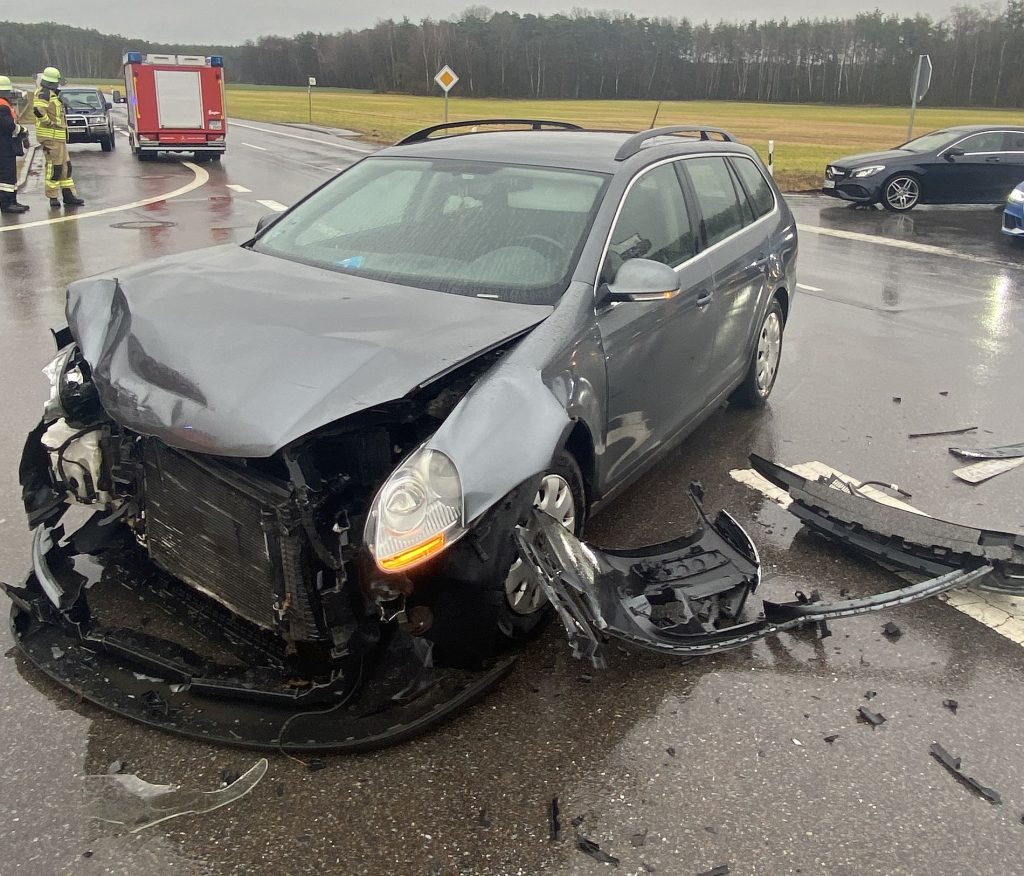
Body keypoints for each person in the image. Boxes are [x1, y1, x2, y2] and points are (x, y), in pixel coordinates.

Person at [33, 66, 84, 208]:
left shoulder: (52, 93)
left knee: (66, 167)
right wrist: (48, 123)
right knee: (54, 167)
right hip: (51, 137)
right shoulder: (44, 94)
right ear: (52, 81)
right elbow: (38, 110)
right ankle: (53, 197)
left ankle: (68, 196)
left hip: (58, 138)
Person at [0, 74, 30, 214]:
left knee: (11, 175)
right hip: (4, 147)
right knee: (6, 177)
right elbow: (8, 126)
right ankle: (7, 204)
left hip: (6, 146)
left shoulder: (4, 104)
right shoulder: (2, 106)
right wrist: (22, 130)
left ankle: (12, 201)